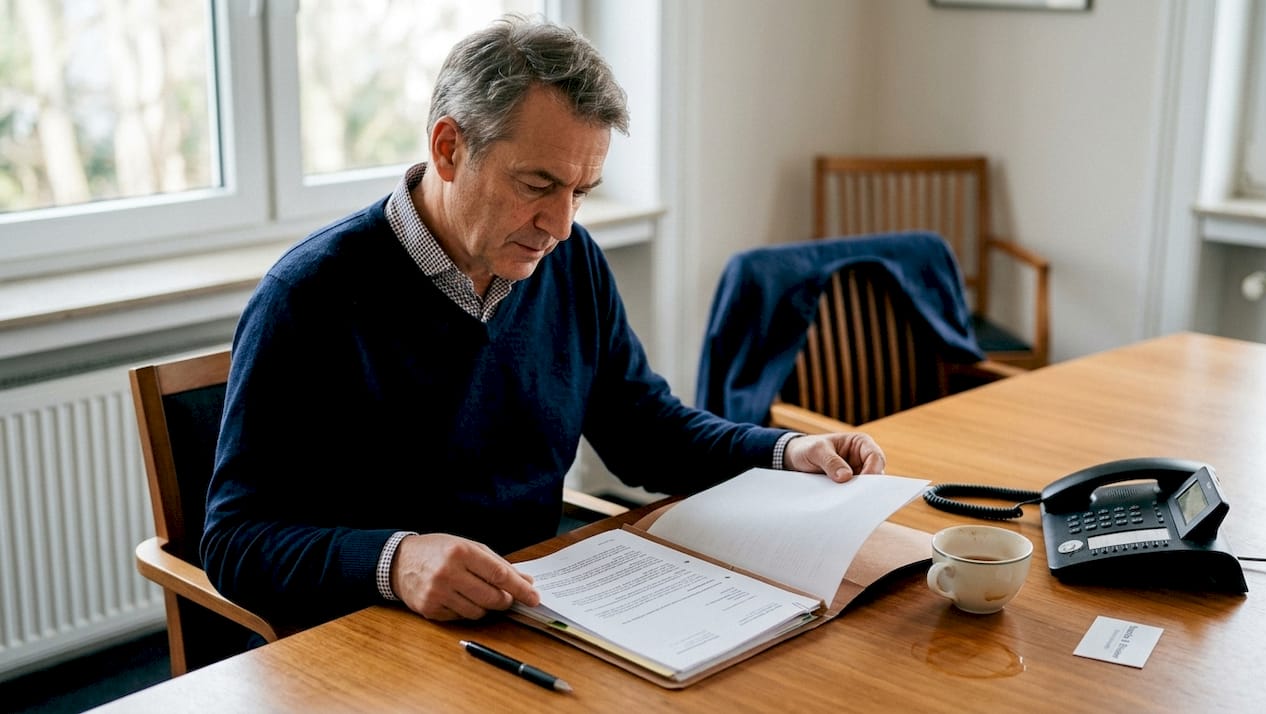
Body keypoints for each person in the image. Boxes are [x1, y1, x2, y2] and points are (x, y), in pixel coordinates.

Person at [201, 15, 886, 629]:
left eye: (581, 193)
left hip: (535, 604)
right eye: (538, 186)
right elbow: (237, 541)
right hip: (371, 634)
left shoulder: (568, 259)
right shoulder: (310, 295)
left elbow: (644, 431)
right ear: (448, 148)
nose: (559, 226)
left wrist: (780, 453)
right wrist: (396, 560)